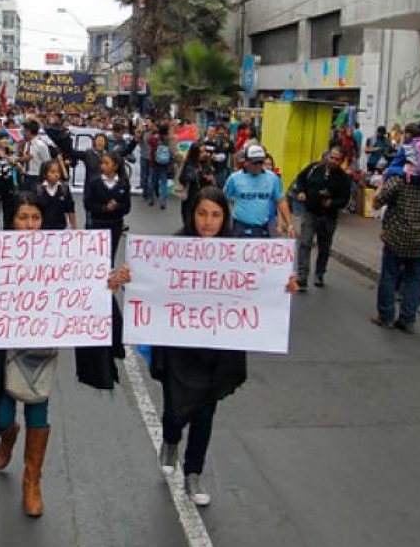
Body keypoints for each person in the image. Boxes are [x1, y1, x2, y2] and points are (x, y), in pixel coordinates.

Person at [0, 190, 122, 518]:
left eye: (35, 218)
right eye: (23, 218)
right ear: (11, 221)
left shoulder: (60, 254)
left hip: (41, 349)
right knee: (3, 415)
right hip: (5, 348)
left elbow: (84, 288)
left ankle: (32, 481)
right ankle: (8, 436)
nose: (30, 225)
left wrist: (106, 283)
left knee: (38, 410)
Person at [111, 187, 296, 507]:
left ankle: (193, 473)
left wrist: (285, 285)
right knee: (174, 407)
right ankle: (170, 438)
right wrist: (129, 276)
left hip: (218, 349)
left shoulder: (239, 251)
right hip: (180, 348)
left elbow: (261, 287)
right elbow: (148, 283)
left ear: (224, 217)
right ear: (191, 214)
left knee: (205, 413)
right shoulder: (173, 248)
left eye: (215, 215)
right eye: (201, 213)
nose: (208, 222)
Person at [372, 157, 420, 333]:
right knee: (414, 280)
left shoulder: (398, 181)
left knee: (389, 277)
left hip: (396, 238)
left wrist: (380, 189)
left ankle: (386, 317)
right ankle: (407, 319)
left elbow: (377, 203)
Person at [291, 145, 352, 291]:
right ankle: (302, 276)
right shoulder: (314, 168)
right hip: (310, 212)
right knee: (305, 243)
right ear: (327, 156)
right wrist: (300, 192)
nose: (333, 161)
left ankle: (319, 273)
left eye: (337, 159)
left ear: (341, 161)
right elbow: (300, 179)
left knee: (324, 247)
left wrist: (333, 203)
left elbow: (345, 199)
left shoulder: (343, 179)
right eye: (332, 157)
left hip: (328, 217)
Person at [223, 144, 294, 238]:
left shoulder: (272, 178)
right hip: (241, 226)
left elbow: (281, 201)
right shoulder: (234, 179)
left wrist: (290, 225)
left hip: (263, 227)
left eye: (260, 163)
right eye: (254, 163)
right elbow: (224, 199)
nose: (257, 166)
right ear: (246, 162)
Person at [83, 151, 131, 263]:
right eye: (102, 163)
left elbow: (127, 207)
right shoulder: (94, 182)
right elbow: (88, 204)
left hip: (115, 224)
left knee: (111, 255)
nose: (102, 165)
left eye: (106, 163)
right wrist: (104, 208)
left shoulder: (123, 183)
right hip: (98, 223)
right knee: (97, 255)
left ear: (115, 166)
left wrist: (117, 206)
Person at [34, 159, 76, 230]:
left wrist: (74, 228)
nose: (56, 175)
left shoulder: (64, 189)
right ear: (45, 173)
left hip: (60, 228)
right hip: (42, 229)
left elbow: (70, 210)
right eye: (52, 172)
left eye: (58, 172)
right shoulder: (38, 190)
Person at [147, 124, 178, 210]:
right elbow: (173, 151)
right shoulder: (169, 139)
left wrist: (153, 131)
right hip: (164, 165)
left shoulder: (155, 138)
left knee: (152, 182)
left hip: (154, 163)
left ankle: (150, 199)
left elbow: (148, 141)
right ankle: (162, 202)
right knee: (163, 183)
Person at [19, 119, 51, 192]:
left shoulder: (41, 145)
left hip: (37, 178)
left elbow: (48, 163)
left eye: (24, 130)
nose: (23, 133)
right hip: (26, 176)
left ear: (29, 131)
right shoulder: (27, 143)